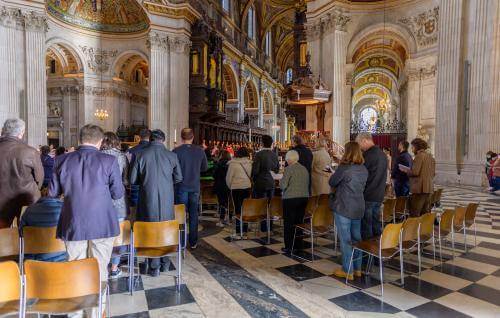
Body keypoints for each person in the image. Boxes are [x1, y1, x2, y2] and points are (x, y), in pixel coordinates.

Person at [49, 124, 124, 318]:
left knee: (75, 266)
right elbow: (117, 194)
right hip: (102, 223)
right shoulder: (109, 160)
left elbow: (53, 193)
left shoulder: (61, 160)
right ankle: (96, 313)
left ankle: (75, 314)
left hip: (74, 222)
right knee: (99, 269)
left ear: (80, 139)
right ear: (100, 141)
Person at [130, 129, 183, 276]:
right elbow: (179, 177)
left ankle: (153, 267)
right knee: (165, 227)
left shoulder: (140, 154)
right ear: (163, 140)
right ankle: (165, 263)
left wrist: (147, 181)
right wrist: (166, 183)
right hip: (167, 197)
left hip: (147, 197)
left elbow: (133, 180)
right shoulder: (172, 155)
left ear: (151, 139)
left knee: (149, 227)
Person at [329, 142, 368, 280]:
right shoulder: (363, 168)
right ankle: (357, 268)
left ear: (347, 152)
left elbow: (332, 182)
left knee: (346, 239)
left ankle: (347, 270)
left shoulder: (344, 168)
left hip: (344, 206)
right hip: (358, 206)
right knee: (356, 238)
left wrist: (335, 173)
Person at [0, 118, 44, 228]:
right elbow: (39, 179)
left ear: (3, 130)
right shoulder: (30, 151)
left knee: (2, 237)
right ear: (22, 133)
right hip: (26, 202)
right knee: (28, 235)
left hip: (1, 203)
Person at [101, 132, 130, 279]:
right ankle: (114, 267)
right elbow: (125, 179)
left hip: (100, 202)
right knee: (119, 236)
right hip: (118, 202)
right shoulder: (121, 156)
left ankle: (102, 266)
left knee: (101, 235)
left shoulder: (97, 156)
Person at [173, 128, 208, 249]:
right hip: (194, 186)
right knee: (193, 214)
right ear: (192, 137)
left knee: (181, 215)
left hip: (181, 186)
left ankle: (181, 242)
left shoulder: (176, 151)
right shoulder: (200, 151)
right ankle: (193, 242)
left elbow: (172, 170)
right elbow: (204, 168)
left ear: (182, 138)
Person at [20, 188, 66, 262]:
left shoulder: (29, 210)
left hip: (33, 263)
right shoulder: (66, 210)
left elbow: (21, 235)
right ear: (60, 196)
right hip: (61, 262)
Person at [355, 132, 387, 240]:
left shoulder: (367, 155)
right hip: (379, 194)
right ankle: (377, 250)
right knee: (376, 225)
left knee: (366, 227)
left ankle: (367, 254)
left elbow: (360, 174)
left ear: (364, 140)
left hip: (368, 195)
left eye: (358, 143)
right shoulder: (382, 154)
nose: (359, 146)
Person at [280, 150, 310, 254]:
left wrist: (281, 181)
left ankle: (289, 246)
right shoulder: (304, 169)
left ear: (288, 159)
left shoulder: (289, 169)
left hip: (291, 199)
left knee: (289, 223)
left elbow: (283, 185)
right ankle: (298, 245)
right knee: (299, 222)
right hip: (304, 198)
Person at [400, 138, 435, 216]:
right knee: (425, 213)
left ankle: (414, 228)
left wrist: (406, 171)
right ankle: (423, 228)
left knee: (414, 213)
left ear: (416, 147)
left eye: (412, 147)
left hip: (419, 189)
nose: (412, 149)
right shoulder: (430, 157)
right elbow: (433, 173)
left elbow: (415, 172)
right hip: (428, 188)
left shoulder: (419, 156)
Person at [226, 147, 252, 237]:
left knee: (237, 209)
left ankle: (238, 231)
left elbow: (228, 178)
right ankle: (245, 230)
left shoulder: (233, 164)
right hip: (247, 187)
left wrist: (230, 186)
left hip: (236, 188)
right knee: (246, 209)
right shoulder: (250, 163)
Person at [214, 150, 232, 227]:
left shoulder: (218, 164)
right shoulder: (231, 164)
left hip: (220, 185)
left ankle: (221, 220)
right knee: (229, 203)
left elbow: (214, 175)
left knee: (222, 203)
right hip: (229, 185)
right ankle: (229, 219)